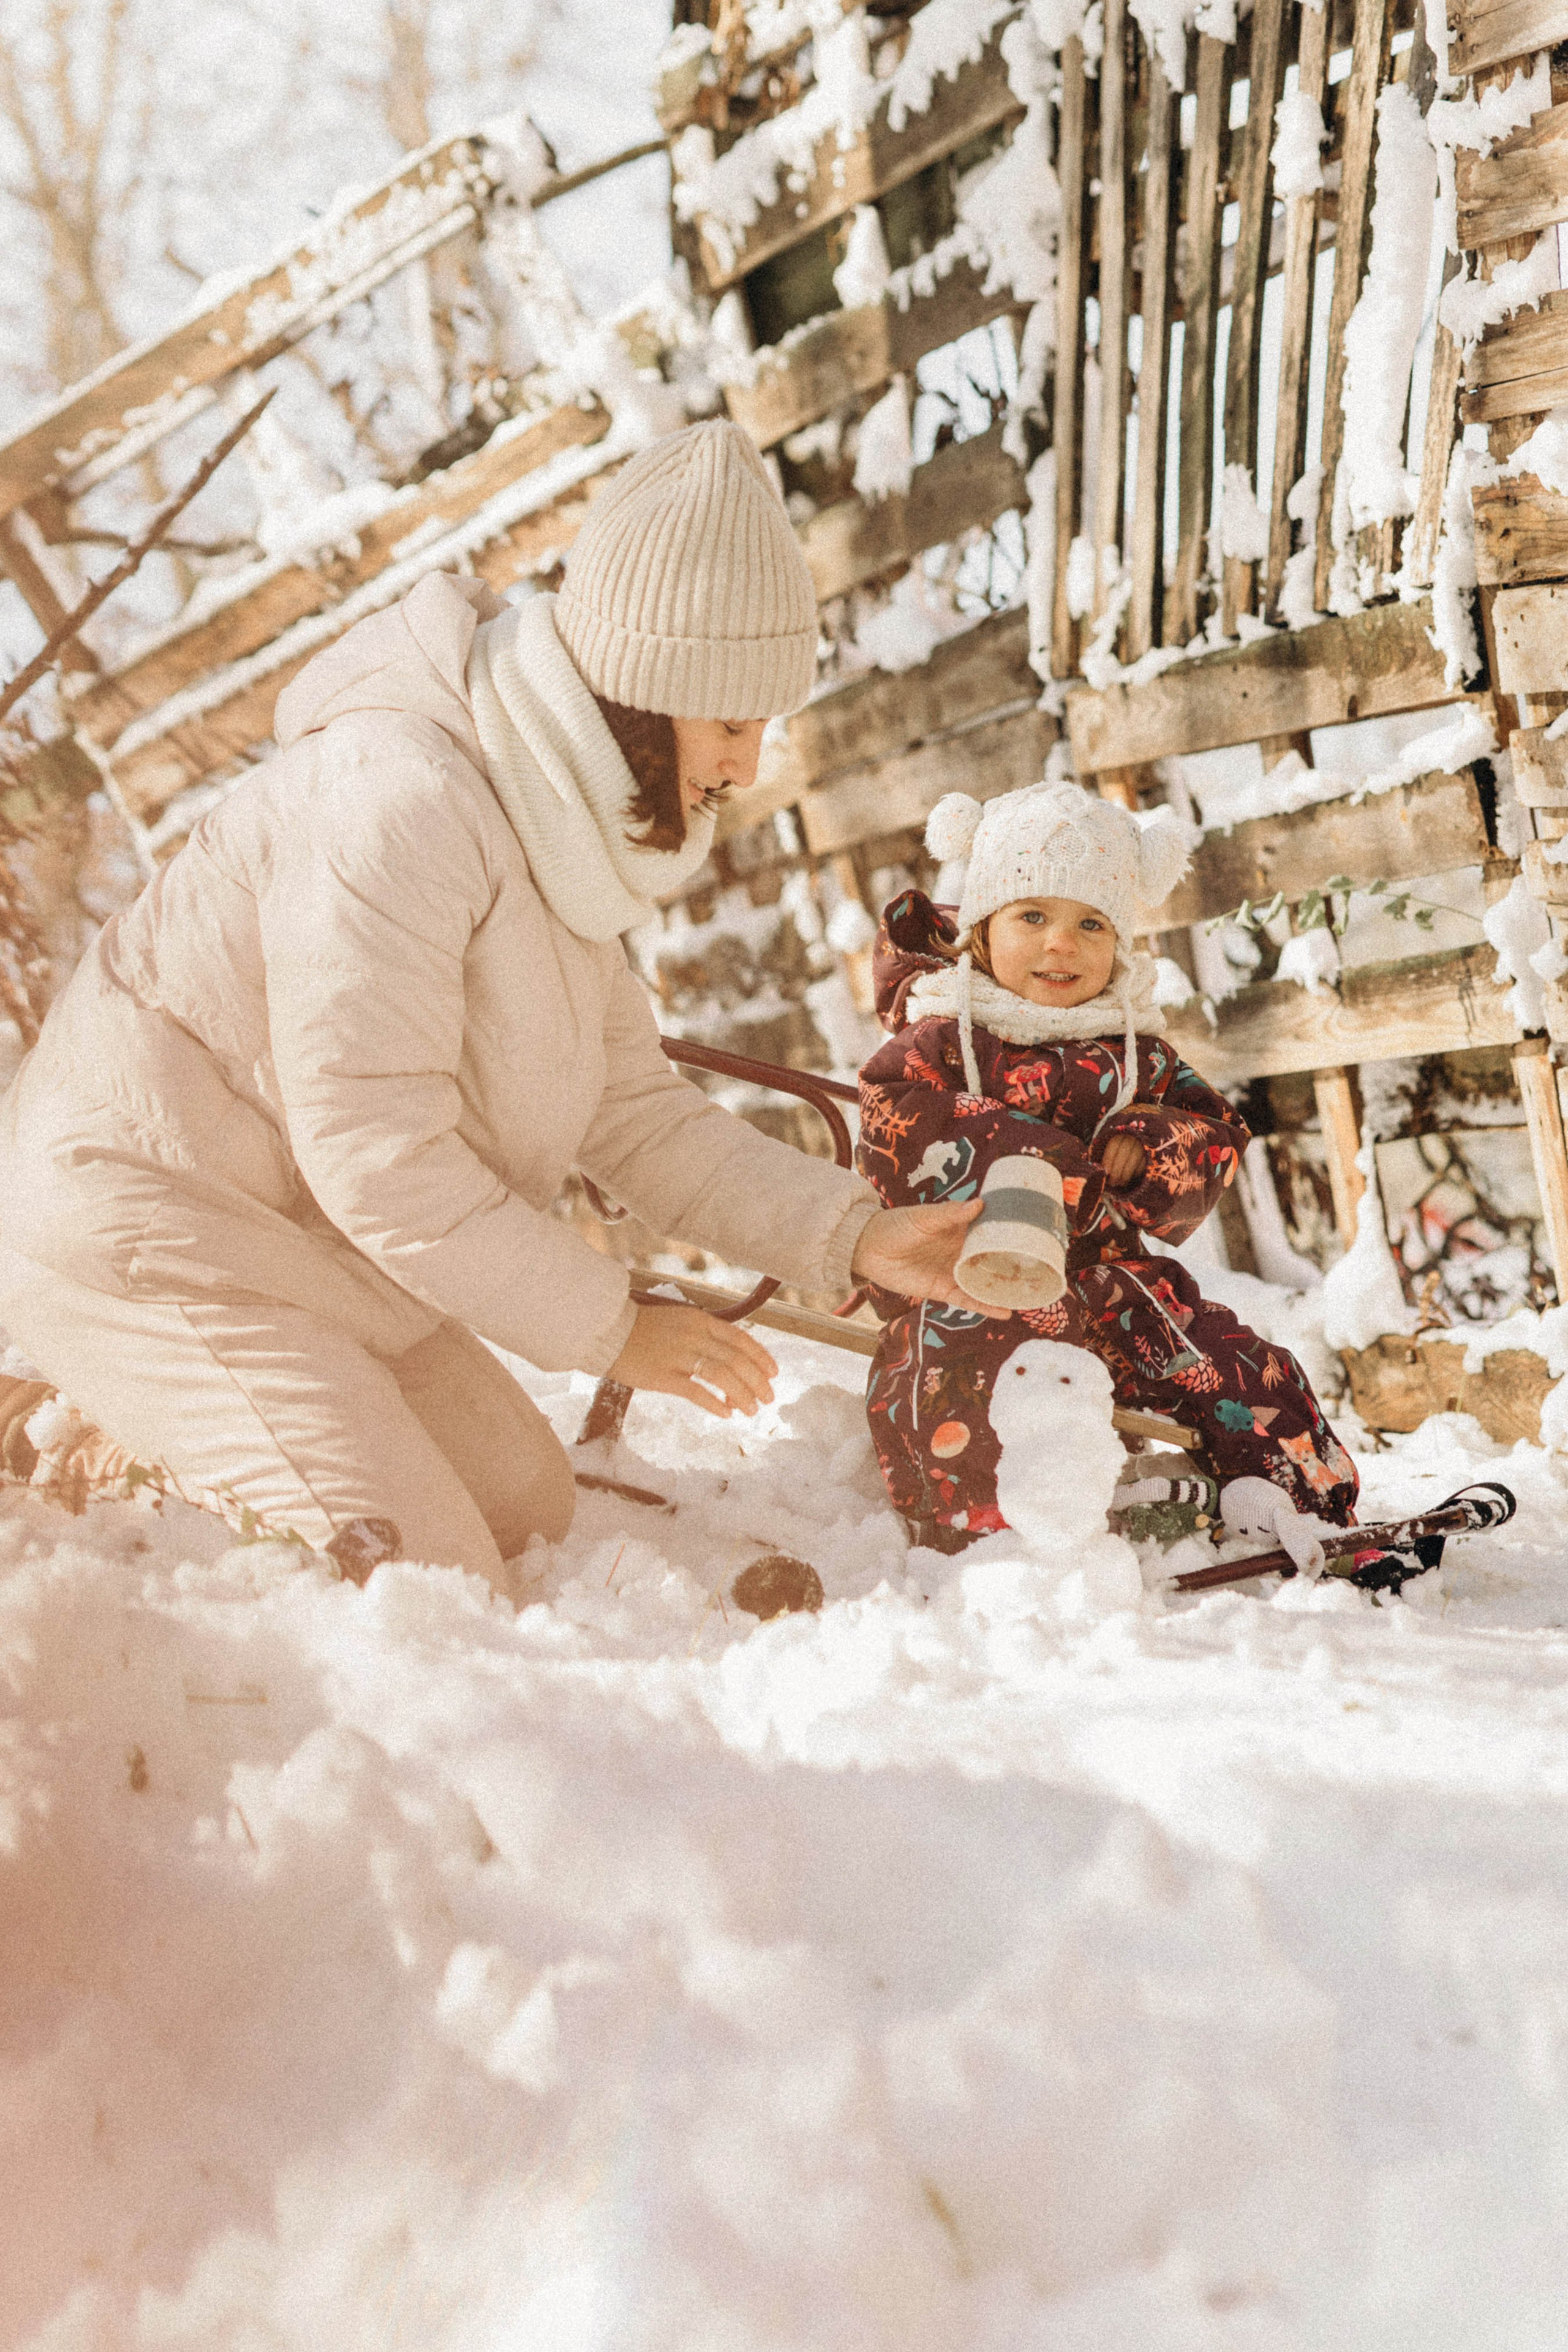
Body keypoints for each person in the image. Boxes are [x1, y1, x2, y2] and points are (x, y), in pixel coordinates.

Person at [0, 420, 986, 1592]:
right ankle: (91, 1439)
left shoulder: (551, 818)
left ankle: (160, 1424)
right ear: (638, 696)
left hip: (317, 1252)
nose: (748, 763)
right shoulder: (394, 803)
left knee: (526, 1505)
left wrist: (856, 1237)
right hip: (156, 1240)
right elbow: (376, 1154)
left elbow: (634, 1114)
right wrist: (616, 1328)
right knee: (421, 1577)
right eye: (730, 724)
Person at [855, 780, 1360, 1555]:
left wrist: (1152, 1149)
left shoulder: (1137, 1051)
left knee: (1236, 1369)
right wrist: (1036, 1156)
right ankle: (1002, 1523)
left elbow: (1215, 1136)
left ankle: (1286, 1501)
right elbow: (895, 1128)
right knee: (953, 1386)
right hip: (972, 1280)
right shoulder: (940, 1038)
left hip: (1117, 1286)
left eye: (1091, 923)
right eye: (1033, 916)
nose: (1063, 944)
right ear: (984, 931)